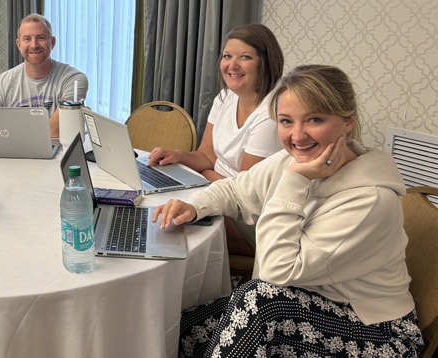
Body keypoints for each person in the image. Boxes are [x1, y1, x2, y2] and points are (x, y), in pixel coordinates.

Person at [152, 64, 424, 357]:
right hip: (297, 301)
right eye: (285, 121)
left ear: (347, 122)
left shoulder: (370, 199)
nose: (297, 136)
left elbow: (275, 272)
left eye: (314, 119)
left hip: (376, 329)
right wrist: (193, 206)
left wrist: (295, 180)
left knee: (257, 303)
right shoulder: (289, 160)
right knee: (184, 327)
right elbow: (236, 188)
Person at [147, 23, 284, 255]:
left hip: (247, 217)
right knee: (159, 213)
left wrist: (202, 176)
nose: (232, 65)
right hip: (215, 193)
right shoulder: (225, 98)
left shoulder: (271, 115)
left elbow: (245, 194)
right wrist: (176, 155)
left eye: (245, 57)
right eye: (227, 56)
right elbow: (206, 156)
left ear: (266, 62)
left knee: (168, 228)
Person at [0, 13, 88, 138]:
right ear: (19, 45)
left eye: (40, 38)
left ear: (52, 42)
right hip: (15, 154)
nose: (34, 45)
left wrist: (13, 133)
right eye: (27, 38)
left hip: (60, 155)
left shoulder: (73, 80)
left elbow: (55, 131)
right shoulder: (2, 84)